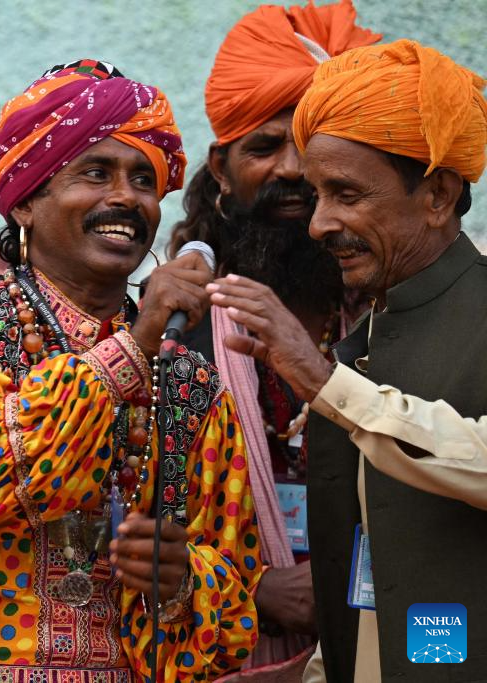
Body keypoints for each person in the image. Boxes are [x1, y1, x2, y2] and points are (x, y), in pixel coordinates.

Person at [0, 59, 261, 683]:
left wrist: (183, 578)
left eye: (143, 180)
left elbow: (234, 603)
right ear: (27, 202)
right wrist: (135, 344)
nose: (125, 197)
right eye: (95, 173)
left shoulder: (190, 385)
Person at [208, 40, 487, 681]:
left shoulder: (339, 367)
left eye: (347, 194)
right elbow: (361, 605)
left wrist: (323, 381)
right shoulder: (363, 340)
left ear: (439, 194)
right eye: (317, 194)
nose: (318, 223)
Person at [166, 0, 379, 672]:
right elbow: (124, 519)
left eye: (312, 148)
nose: (291, 169)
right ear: (222, 171)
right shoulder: (173, 326)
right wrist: (250, 591)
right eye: (263, 146)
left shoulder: (390, 319)